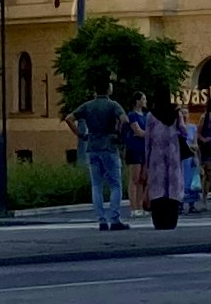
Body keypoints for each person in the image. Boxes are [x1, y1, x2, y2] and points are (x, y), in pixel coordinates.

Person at [71, 84, 130, 229]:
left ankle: (101, 220)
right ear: (109, 90)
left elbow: (69, 118)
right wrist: (119, 134)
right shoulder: (113, 105)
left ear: (94, 91)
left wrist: (80, 134)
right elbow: (125, 120)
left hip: (92, 146)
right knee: (115, 185)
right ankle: (114, 219)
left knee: (96, 185)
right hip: (109, 146)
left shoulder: (87, 106)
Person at [139, 95, 191, 228]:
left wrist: (146, 161)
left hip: (156, 159)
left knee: (157, 189)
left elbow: (147, 140)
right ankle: (171, 221)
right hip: (173, 157)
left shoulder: (151, 115)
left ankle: (159, 221)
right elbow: (184, 132)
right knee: (172, 188)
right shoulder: (175, 113)